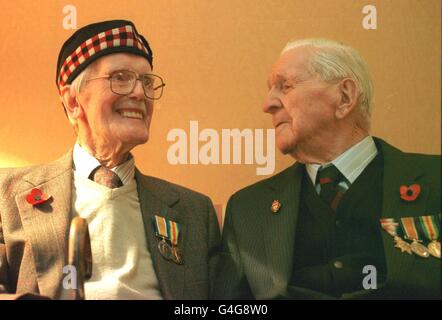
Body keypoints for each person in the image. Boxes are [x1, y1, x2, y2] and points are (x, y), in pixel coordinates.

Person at [0, 20, 220, 300]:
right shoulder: (6, 195)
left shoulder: (194, 211)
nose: (140, 93)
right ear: (73, 101)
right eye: (120, 77)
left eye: (146, 82)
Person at [212, 38, 441, 299]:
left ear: (344, 97)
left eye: (285, 86)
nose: (268, 105)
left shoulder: (436, 180)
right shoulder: (248, 209)